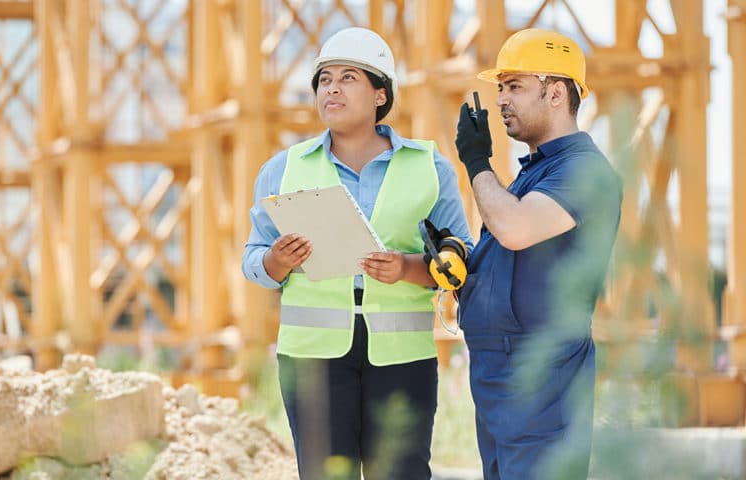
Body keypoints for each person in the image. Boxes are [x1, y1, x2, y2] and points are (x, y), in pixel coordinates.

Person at [242, 27, 473, 480]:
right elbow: (254, 259)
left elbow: (462, 258)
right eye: (324, 79)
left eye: (348, 78)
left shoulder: (428, 168)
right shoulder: (282, 170)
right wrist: (277, 261)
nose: (331, 88)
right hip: (312, 361)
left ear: (379, 93)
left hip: (403, 358)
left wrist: (407, 268)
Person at [452, 28, 623, 479]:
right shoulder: (535, 175)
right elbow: (506, 253)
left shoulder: (584, 171)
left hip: (542, 385)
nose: (501, 100)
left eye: (514, 87)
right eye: (500, 88)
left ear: (555, 93)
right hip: (501, 380)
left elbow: (514, 228)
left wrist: (476, 162)